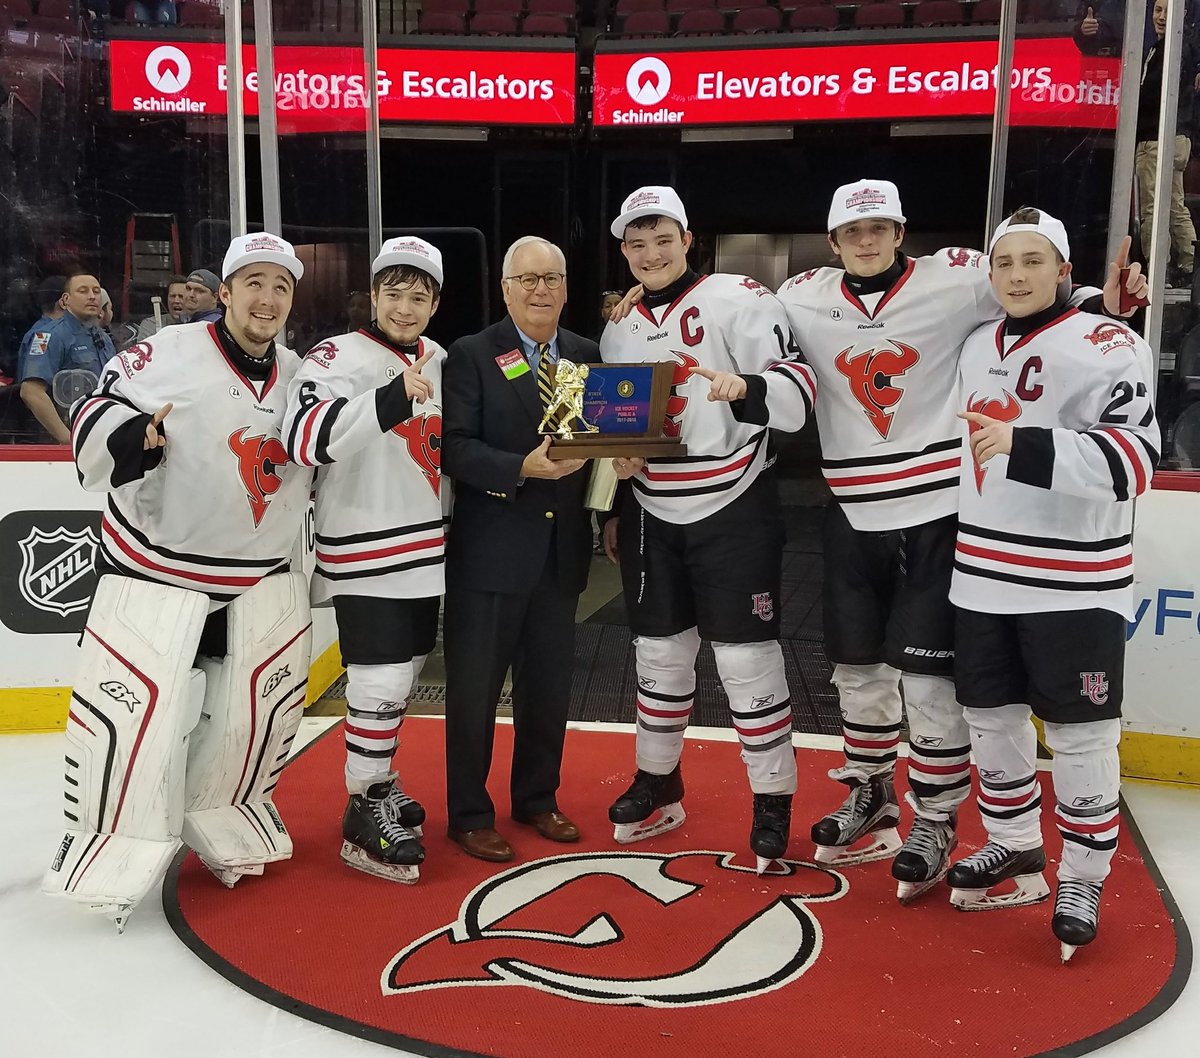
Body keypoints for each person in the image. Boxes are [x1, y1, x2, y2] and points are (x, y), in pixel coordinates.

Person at [702, 179, 1145, 900]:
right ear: (835, 239)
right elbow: (734, 313)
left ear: (901, 229)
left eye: (879, 227)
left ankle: (936, 817)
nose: (867, 241)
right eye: (853, 231)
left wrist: (1106, 304)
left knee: (931, 682)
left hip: (938, 515)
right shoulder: (805, 292)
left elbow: (1034, 287)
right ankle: (871, 791)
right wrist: (634, 301)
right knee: (856, 671)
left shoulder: (958, 276)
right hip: (849, 510)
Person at [42, 233, 313, 929]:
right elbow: (97, 410)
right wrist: (134, 438)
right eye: (253, 283)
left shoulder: (301, 372)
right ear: (225, 292)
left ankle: (229, 817)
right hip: (156, 568)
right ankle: (112, 844)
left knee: (251, 717)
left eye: (280, 287)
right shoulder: (164, 351)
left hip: (258, 577)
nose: (267, 298)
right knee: (135, 722)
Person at [945, 207, 1158, 963]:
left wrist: (1024, 444)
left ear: (1064, 269)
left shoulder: (1112, 342)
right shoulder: (977, 343)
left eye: (1034, 262)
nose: (1017, 276)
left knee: (1079, 735)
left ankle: (1084, 875)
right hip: (981, 574)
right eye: (1004, 263)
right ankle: (1012, 844)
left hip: (1073, 582)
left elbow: (1135, 464)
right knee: (992, 719)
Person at [601, 186, 814, 873]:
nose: (651, 253)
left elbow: (798, 392)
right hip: (651, 508)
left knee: (746, 662)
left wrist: (744, 388)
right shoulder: (619, 325)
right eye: (637, 243)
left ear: (688, 239)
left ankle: (773, 799)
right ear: (624, 251)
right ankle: (659, 782)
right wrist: (614, 480)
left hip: (733, 501)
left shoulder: (741, 297)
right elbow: (617, 428)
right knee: (658, 656)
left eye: (663, 239)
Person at [283, 237, 448, 884]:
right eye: (394, 294)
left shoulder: (438, 357)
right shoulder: (336, 356)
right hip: (364, 544)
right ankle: (361, 809)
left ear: (435, 301)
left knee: (401, 679)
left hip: (425, 549)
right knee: (377, 684)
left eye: (419, 296)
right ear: (373, 295)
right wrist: (385, 402)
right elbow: (301, 440)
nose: (405, 308)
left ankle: (378, 785)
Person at [440, 235, 596, 863]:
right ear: (505, 288)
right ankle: (469, 813)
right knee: (475, 691)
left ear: (565, 286)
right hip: (490, 551)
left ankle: (537, 797)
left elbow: (598, 441)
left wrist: (623, 465)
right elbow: (453, 447)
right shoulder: (473, 354)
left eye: (551, 278)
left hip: (561, 551)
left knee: (549, 688)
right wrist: (520, 468)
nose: (540, 290)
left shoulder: (586, 353)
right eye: (527, 279)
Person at [1135, 0, 1200, 286]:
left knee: (1153, 208)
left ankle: (1158, 272)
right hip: (1172, 137)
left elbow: (1152, 94)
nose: (1161, 17)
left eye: (1168, 10)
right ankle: (1191, 264)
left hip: (1159, 138)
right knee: (1174, 206)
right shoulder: (1159, 48)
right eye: (1157, 10)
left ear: (1183, 14)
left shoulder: (1176, 49)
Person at [18, 272, 115, 443]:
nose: (92, 296)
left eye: (96, 291)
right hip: (60, 442)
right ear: (65, 300)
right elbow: (31, 392)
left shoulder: (103, 338)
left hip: (100, 435)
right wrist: (68, 440)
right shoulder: (48, 335)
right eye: (83, 291)